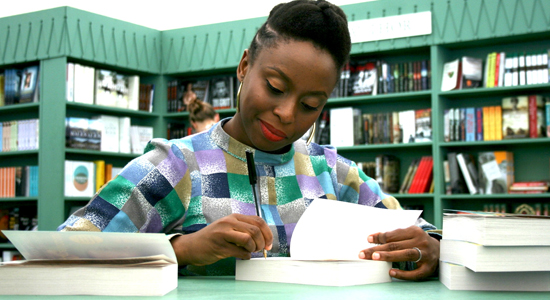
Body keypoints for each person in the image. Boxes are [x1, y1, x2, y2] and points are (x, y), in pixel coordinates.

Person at [58, 0, 440, 280]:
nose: (288, 114)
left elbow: (416, 232)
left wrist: (431, 245)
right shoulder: (175, 166)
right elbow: (67, 249)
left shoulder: (334, 173)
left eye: (309, 105)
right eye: (275, 88)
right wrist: (181, 249)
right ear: (244, 67)